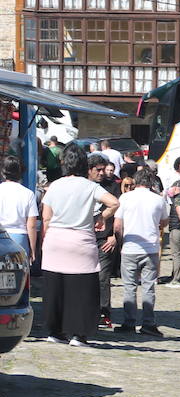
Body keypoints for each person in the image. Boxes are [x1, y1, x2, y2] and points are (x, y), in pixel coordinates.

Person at [39, 144, 118, 347]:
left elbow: (46, 218)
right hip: (80, 240)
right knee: (81, 291)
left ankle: (54, 330)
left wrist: (44, 241)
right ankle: (78, 334)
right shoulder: (89, 186)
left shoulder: (55, 185)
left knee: (56, 288)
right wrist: (101, 217)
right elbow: (114, 203)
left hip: (56, 239)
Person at [113, 167, 168, 336]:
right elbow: (164, 222)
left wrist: (121, 242)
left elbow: (117, 225)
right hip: (150, 248)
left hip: (130, 247)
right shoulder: (158, 200)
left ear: (135, 182)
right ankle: (148, 323)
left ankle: (129, 322)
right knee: (148, 287)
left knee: (129, 287)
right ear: (151, 182)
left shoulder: (125, 198)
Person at [88, 154, 121, 327]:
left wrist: (114, 235)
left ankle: (104, 312)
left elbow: (118, 213)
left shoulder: (112, 188)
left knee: (103, 277)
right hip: (85, 238)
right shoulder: (83, 187)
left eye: (104, 169)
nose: (102, 173)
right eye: (98, 170)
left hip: (105, 239)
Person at [0, 156, 39, 258]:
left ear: (2, 172)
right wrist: (33, 249)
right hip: (20, 239)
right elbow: (31, 225)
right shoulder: (28, 194)